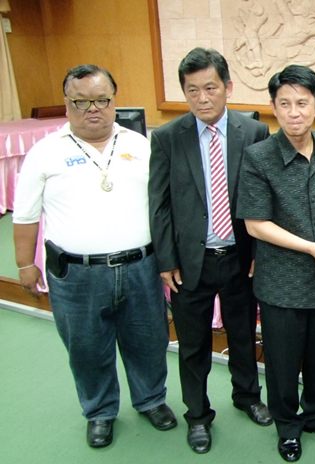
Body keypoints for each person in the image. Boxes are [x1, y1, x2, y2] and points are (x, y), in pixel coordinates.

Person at [13, 64, 176, 448]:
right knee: (87, 348)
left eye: (102, 100)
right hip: (77, 274)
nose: (93, 109)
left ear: (114, 101)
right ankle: (100, 411)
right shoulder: (45, 152)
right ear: (66, 103)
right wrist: (24, 263)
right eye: (81, 102)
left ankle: (151, 399)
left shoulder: (142, 145)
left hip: (141, 267)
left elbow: (165, 206)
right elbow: (25, 215)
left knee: (148, 340)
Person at [148, 47, 271, 454]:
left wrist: (260, 252)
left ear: (228, 87)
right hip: (189, 263)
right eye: (192, 90)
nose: (202, 98)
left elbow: (264, 198)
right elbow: (159, 204)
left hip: (239, 258)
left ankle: (247, 396)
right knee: (193, 345)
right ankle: (198, 416)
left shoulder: (253, 132)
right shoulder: (168, 138)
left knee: (243, 335)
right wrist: (166, 259)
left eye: (210, 88)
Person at [237, 64, 315, 462]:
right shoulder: (258, 157)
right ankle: (287, 427)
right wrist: (310, 247)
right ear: (273, 107)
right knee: (283, 363)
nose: (294, 112)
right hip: (281, 282)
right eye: (284, 104)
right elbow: (255, 224)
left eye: (302, 103)